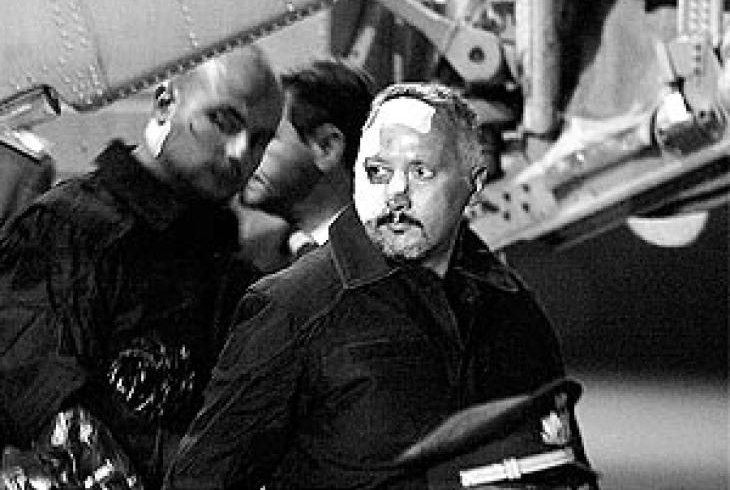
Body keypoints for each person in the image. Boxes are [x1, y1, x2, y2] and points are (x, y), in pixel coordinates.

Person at [163, 83, 592, 489]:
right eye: (378, 172)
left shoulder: (512, 304)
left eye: (421, 172)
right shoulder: (292, 306)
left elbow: (560, 462)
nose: (396, 193)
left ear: (473, 184)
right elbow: (201, 480)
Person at [0, 45, 282, 489]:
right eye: (224, 122)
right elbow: (40, 403)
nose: (240, 153)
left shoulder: (228, 267)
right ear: (165, 101)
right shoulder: (67, 229)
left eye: (261, 139)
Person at [234, 58, 375, 272]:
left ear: (327, 148)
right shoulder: (258, 259)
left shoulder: (376, 267)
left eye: (266, 137)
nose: (241, 152)